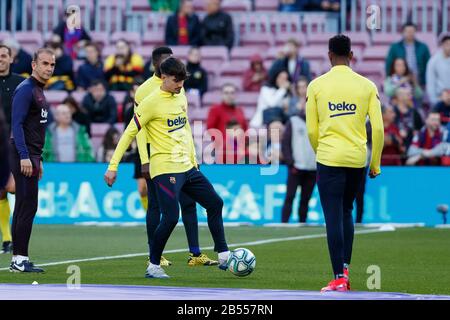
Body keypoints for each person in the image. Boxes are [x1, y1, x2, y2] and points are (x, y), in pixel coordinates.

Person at [104, 57, 230, 278]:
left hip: (187, 166)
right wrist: (112, 166)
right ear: (163, 77)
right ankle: (153, 265)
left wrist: (193, 158)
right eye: (176, 80)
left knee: (215, 203)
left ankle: (224, 254)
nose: (180, 84)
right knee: (171, 217)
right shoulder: (150, 102)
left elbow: (185, 128)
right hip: (164, 168)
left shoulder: (180, 96)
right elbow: (128, 133)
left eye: (182, 80)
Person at [306, 35, 384, 292]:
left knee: (332, 218)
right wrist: (375, 163)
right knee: (347, 211)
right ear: (352, 56)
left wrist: (322, 152)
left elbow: (311, 131)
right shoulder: (367, 86)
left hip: (329, 158)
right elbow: (379, 129)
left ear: (329, 56)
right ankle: (345, 272)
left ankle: (338, 276)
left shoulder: (316, 86)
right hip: (356, 159)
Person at [133, 47, 218, 267]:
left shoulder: (176, 84)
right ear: (156, 66)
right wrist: (145, 160)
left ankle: (195, 253)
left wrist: (192, 154)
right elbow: (138, 128)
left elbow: (183, 123)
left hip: (179, 155)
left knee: (189, 203)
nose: (171, 64)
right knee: (156, 207)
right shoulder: (144, 92)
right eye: (165, 61)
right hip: (155, 155)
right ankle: (155, 255)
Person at [9, 48, 56, 272]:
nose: (49, 68)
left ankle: (17, 259)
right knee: (28, 206)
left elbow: (34, 128)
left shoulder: (37, 90)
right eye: (45, 63)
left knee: (22, 206)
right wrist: (25, 156)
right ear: (33, 65)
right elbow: (16, 125)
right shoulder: (26, 90)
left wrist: (40, 158)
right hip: (24, 154)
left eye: (52, 65)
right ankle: (20, 259)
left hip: (32, 155)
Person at [0, 44, 25, 254]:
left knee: (14, 188)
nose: (0, 59)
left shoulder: (20, 83)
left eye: (3, 56)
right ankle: (8, 239)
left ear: (10, 58)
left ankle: (18, 234)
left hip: (15, 143)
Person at [281, 92, 316, 223]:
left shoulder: (320, 122)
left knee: (306, 198)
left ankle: (302, 223)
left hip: (312, 167)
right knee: (290, 196)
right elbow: (286, 143)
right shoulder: (294, 121)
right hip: (296, 167)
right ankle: (284, 223)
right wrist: (291, 163)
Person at [206, 83, 248, 164]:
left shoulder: (240, 111)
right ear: (222, 95)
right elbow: (210, 130)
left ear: (236, 95)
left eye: (232, 93)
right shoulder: (215, 110)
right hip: (223, 149)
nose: (229, 95)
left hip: (239, 149)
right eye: (226, 93)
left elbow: (245, 130)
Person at [385, 22, 431, 86]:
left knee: (419, 94)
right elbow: (389, 64)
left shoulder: (423, 47)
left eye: (412, 31)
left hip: (419, 81)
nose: (410, 33)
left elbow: (429, 65)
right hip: (400, 81)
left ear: (415, 32)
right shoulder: (395, 47)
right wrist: (389, 80)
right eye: (408, 31)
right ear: (403, 32)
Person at [426, 34, 450, 106]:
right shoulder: (433, 61)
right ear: (442, 45)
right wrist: (434, 100)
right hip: (440, 99)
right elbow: (431, 82)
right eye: (447, 44)